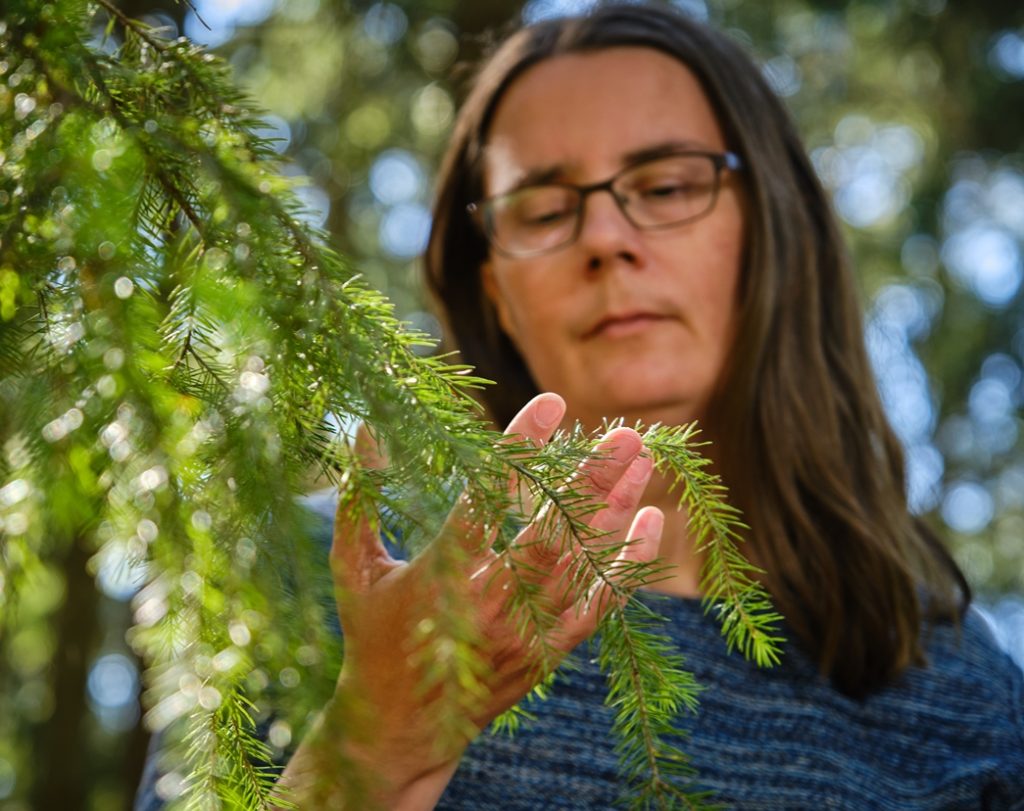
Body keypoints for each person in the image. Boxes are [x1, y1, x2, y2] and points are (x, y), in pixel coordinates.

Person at [137, 4, 1024, 810]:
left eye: (667, 186)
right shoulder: (316, 587)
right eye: (543, 207)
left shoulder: (958, 688)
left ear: (770, 228)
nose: (605, 237)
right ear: (494, 286)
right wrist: (376, 745)